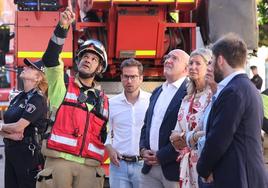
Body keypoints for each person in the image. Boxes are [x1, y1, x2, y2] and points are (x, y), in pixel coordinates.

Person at [36, 8, 109, 188]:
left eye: (94, 59)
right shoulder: (61, 85)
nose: (88, 59)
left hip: (90, 168)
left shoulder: (104, 100)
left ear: (99, 68)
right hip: (59, 164)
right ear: (78, 61)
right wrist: (63, 27)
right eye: (85, 56)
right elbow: (51, 58)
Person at [196, 33, 268, 188]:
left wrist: (203, 168)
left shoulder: (233, 91)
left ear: (220, 60)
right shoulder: (248, 88)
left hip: (238, 177)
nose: (211, 66)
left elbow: (219, 138)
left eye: (212, 61)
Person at [139, 49, 189, 188]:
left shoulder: (190, 93)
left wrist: (162, 156)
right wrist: (143, 149)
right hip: (149, 169)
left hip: (174, 169)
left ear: (186, 68)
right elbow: (146, 125)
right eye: (167, 57)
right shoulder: (157, 91)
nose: (168, 60)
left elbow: (187, 132)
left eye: (174, 58)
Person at [169, 48, 216, 188]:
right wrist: (191, 137)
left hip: (207, 165)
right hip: (187, 165)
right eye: (190, 63)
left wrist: (186, 137)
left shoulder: (213, 96)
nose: (193, 67)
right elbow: (173, 138)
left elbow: (210, 134)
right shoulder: (186, 99)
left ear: (209, 66)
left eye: (198, 63)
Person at [0, 59, 48, 188]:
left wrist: (4, 129)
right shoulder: (18, 97)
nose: (25, 67)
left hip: (27, 154)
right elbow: (12, 129)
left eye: (31, 68)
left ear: (38, 77)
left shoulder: (38, 99)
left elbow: (18, 127)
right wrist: (9, 134)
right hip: (11, 150)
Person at [105, 58, 151, 188]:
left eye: (133, 77)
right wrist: (109, 147)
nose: (129, 81)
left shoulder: (151, 101)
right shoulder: (112, 103)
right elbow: (105, 130)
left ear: (141, 78)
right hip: (119, 166)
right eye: (126, 76)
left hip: (144, 165)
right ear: (121, 77)